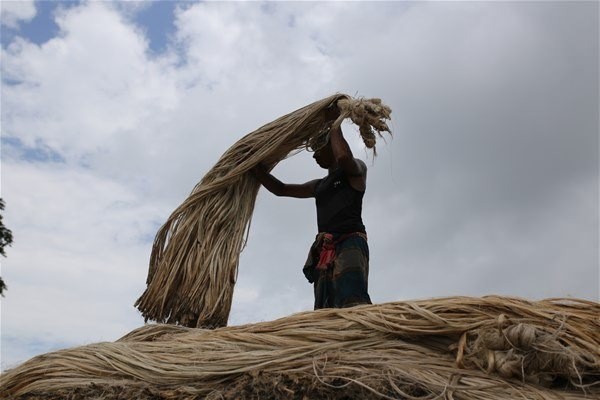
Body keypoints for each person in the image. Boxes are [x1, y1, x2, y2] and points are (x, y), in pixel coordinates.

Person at [252, 119, 372, 310]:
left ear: (331, 146)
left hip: (349, 242)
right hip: (325, 249)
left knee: (352, 298)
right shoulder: (318, 185)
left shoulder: (355, 170)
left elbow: (342, 158)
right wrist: (255, 169)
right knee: (325, 306)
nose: (314, 156)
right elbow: (280, 189)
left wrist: (335, 123)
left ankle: (361, 334)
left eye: (317, 148)